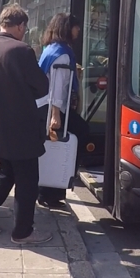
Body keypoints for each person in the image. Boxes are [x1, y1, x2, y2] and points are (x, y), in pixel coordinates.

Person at [0, 3, 52, 245]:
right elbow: (41, 86)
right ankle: (23, 232)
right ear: (20, 25)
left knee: (8, 170)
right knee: (27, 179)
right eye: (25, 27)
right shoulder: (22, 51)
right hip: (20, 128)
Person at [36, 13, 90, 208]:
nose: (78, 31)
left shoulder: (50, 48)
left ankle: (50, 191)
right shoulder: (63, 54)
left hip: (44, 106)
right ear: (68, 28)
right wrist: (56, 115)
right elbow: (57, 87)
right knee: (79, 134)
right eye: (75, 27)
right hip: (54, 108)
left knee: (52, 146)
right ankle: (53, 188)